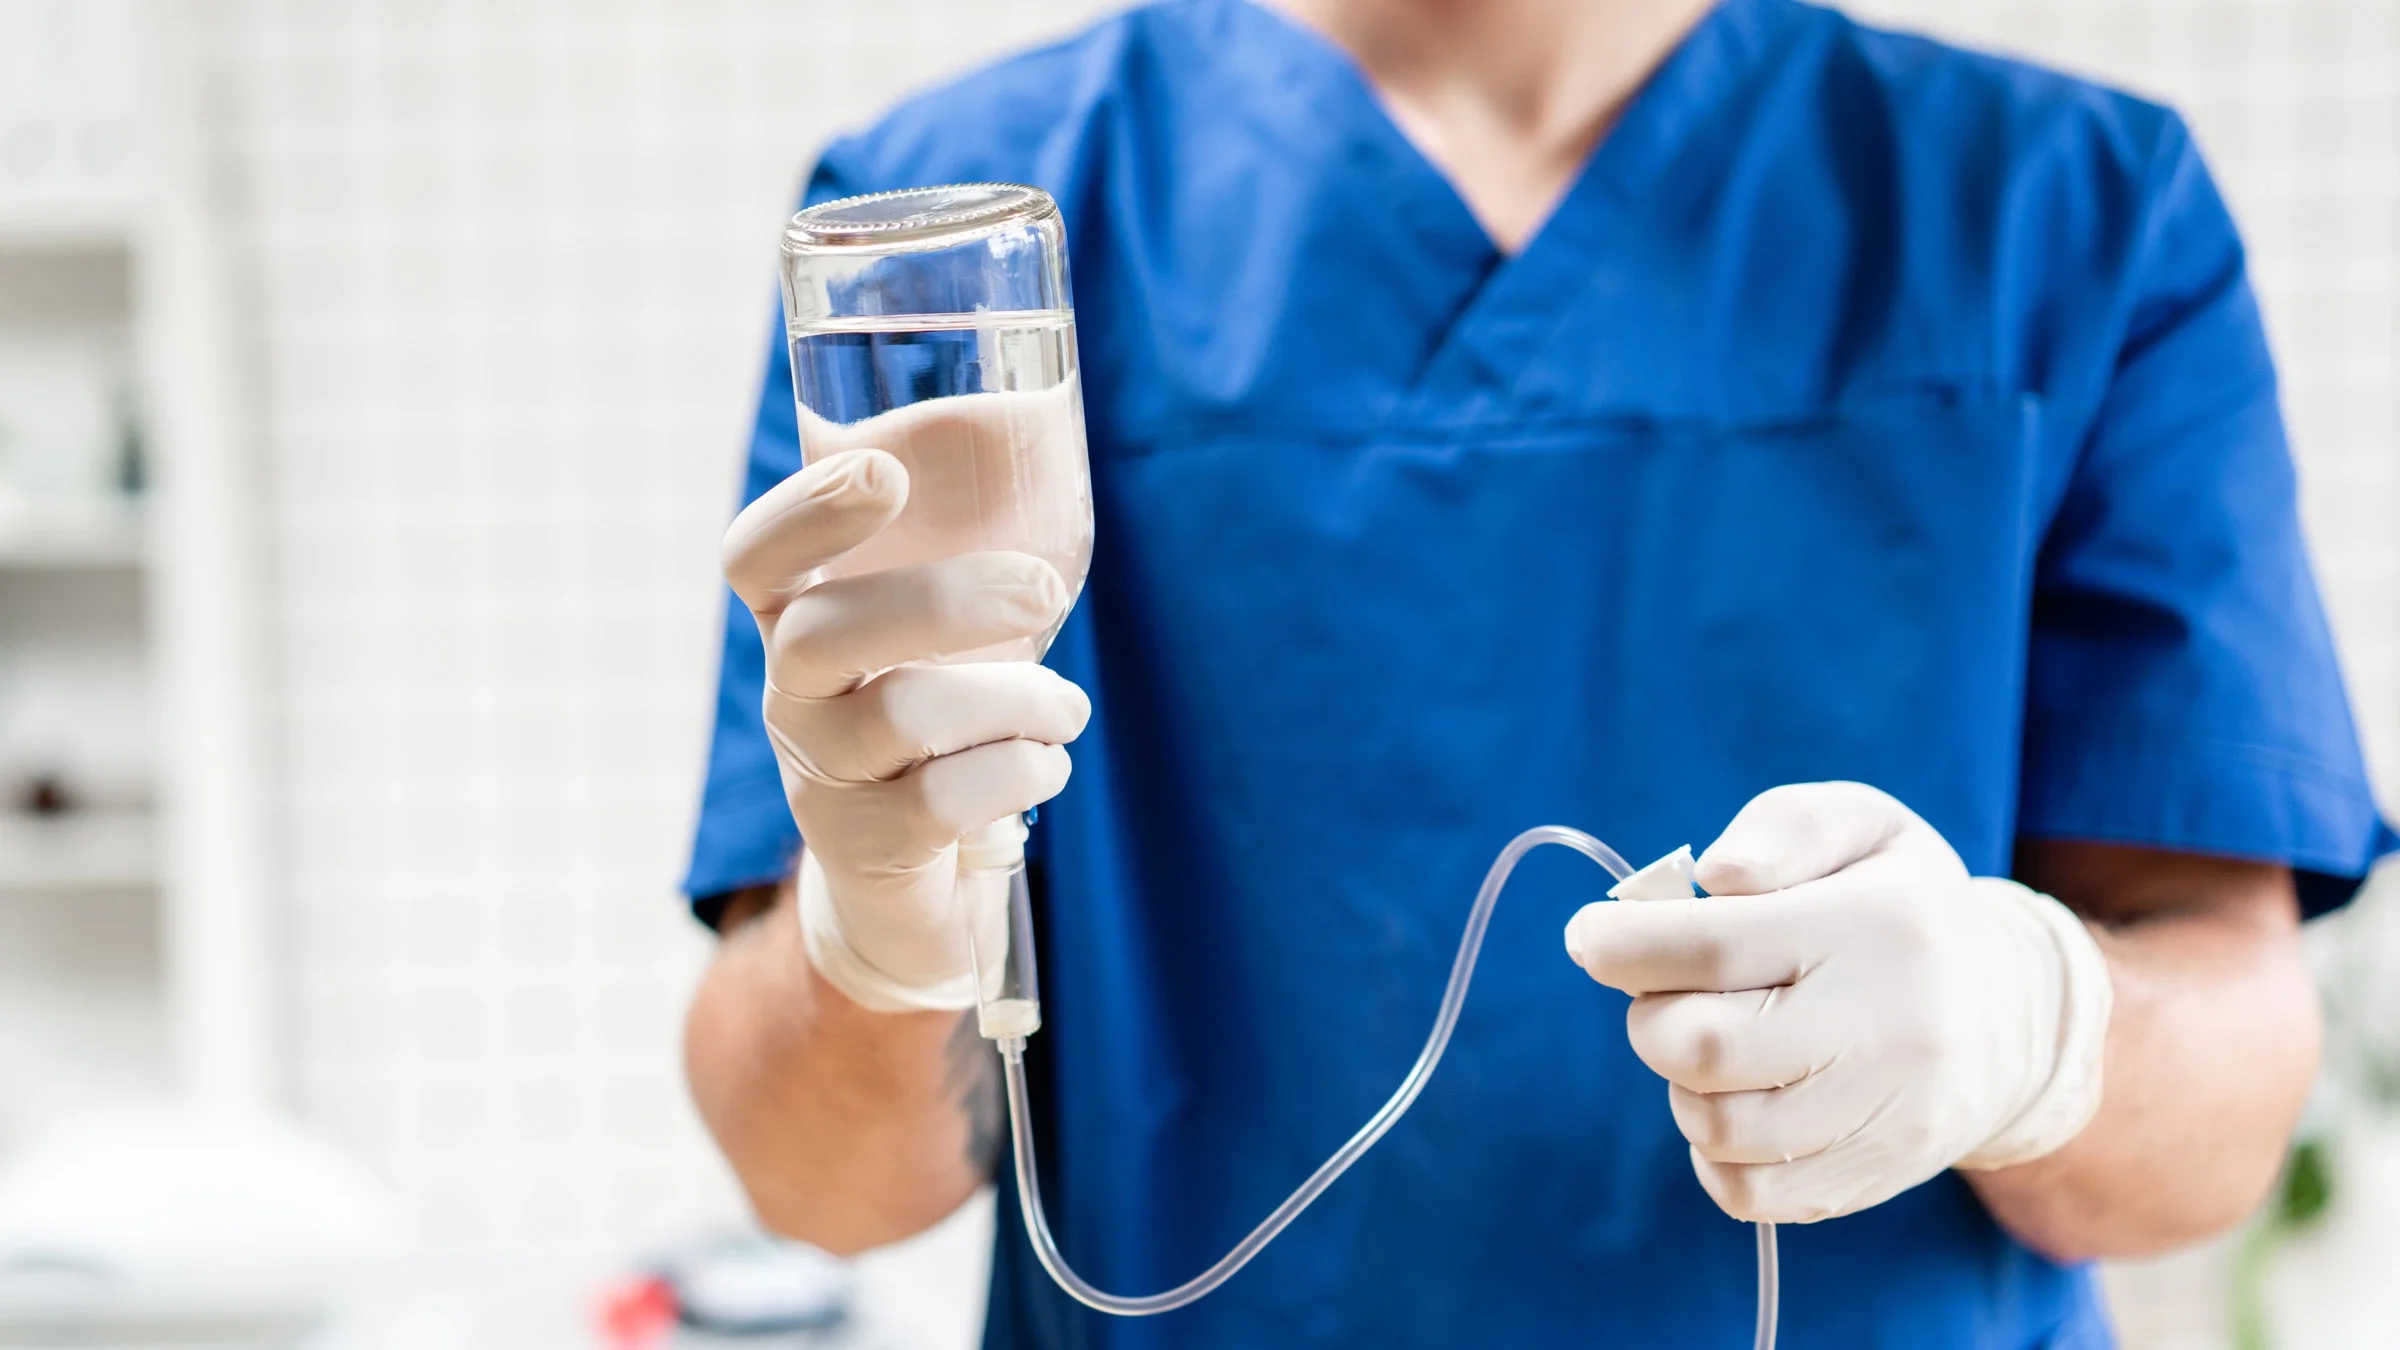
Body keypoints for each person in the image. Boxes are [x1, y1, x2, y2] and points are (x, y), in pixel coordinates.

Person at [679, 0, 2396, 1345]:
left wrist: (2035, 1024)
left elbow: (2222, 1104)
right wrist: (878, 935)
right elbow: (816, 1176)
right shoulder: (961, 235)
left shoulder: (2056, 216)